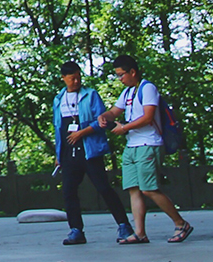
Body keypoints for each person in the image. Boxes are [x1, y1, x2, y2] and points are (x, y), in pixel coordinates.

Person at [103, 54, 194, 244]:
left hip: (148, 144)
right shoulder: (127, 92)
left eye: (121, 75)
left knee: (149, 189)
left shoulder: (148, 88)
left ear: (132, 72)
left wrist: (124, 128)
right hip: (131, 145)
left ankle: (180, 223)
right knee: (134, 189)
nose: (120, 79)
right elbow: (114, 111)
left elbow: (148, 117)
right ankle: (140, 233)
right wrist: (104, 117)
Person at [52, 59, 133, 245]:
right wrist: (58, 154)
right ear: (63, 78)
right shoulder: (58, 99)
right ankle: (76, 230)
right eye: (72, 78)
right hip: (68, 152)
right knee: (69, 191)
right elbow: (57, 127)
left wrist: (82, 132)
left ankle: (124, 225)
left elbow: (102, 120)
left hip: (89, 150)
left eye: (78, 78)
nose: (76, 82)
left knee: (103, 187)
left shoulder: (90, 95)